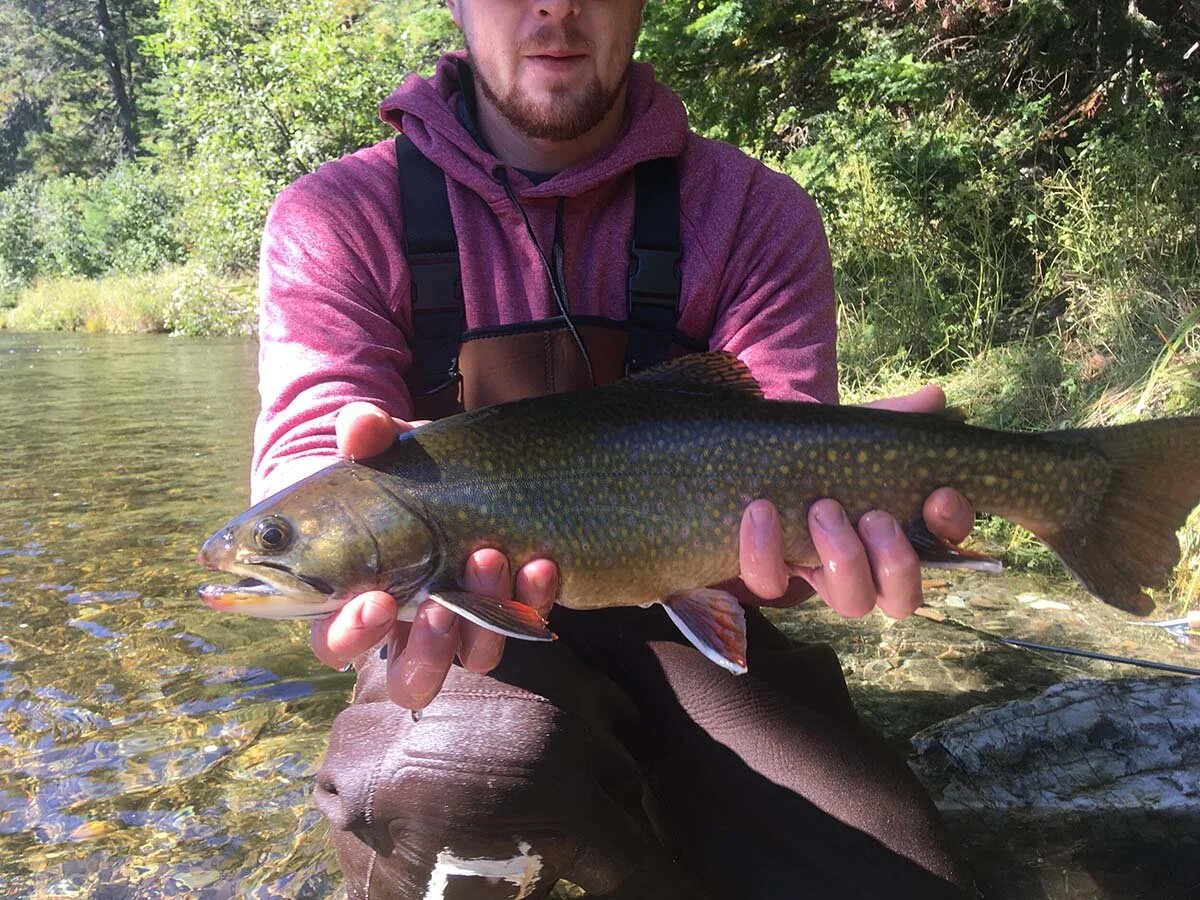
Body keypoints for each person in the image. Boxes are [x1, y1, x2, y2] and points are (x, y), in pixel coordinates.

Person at [253, 1, 979, 897]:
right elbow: (308, 428)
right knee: (446, 774)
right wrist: (300, 503)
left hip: (700, 616)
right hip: (461, 636)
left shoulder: (754, 210)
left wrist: (842, 528)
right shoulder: (339, 216)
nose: (555, 5)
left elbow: (789, 446)